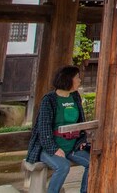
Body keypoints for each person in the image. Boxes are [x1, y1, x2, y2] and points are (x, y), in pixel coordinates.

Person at [26, 65, 90, 193]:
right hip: (49, 148)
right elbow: (43, 129)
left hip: (72, 146)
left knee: (93, 163)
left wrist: (82, 140)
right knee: (63, 166)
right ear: (68, 79)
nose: (79, 80)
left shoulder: (75, 97)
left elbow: (80, 122)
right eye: (77, 77)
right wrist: (53, 148)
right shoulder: (49, 100)